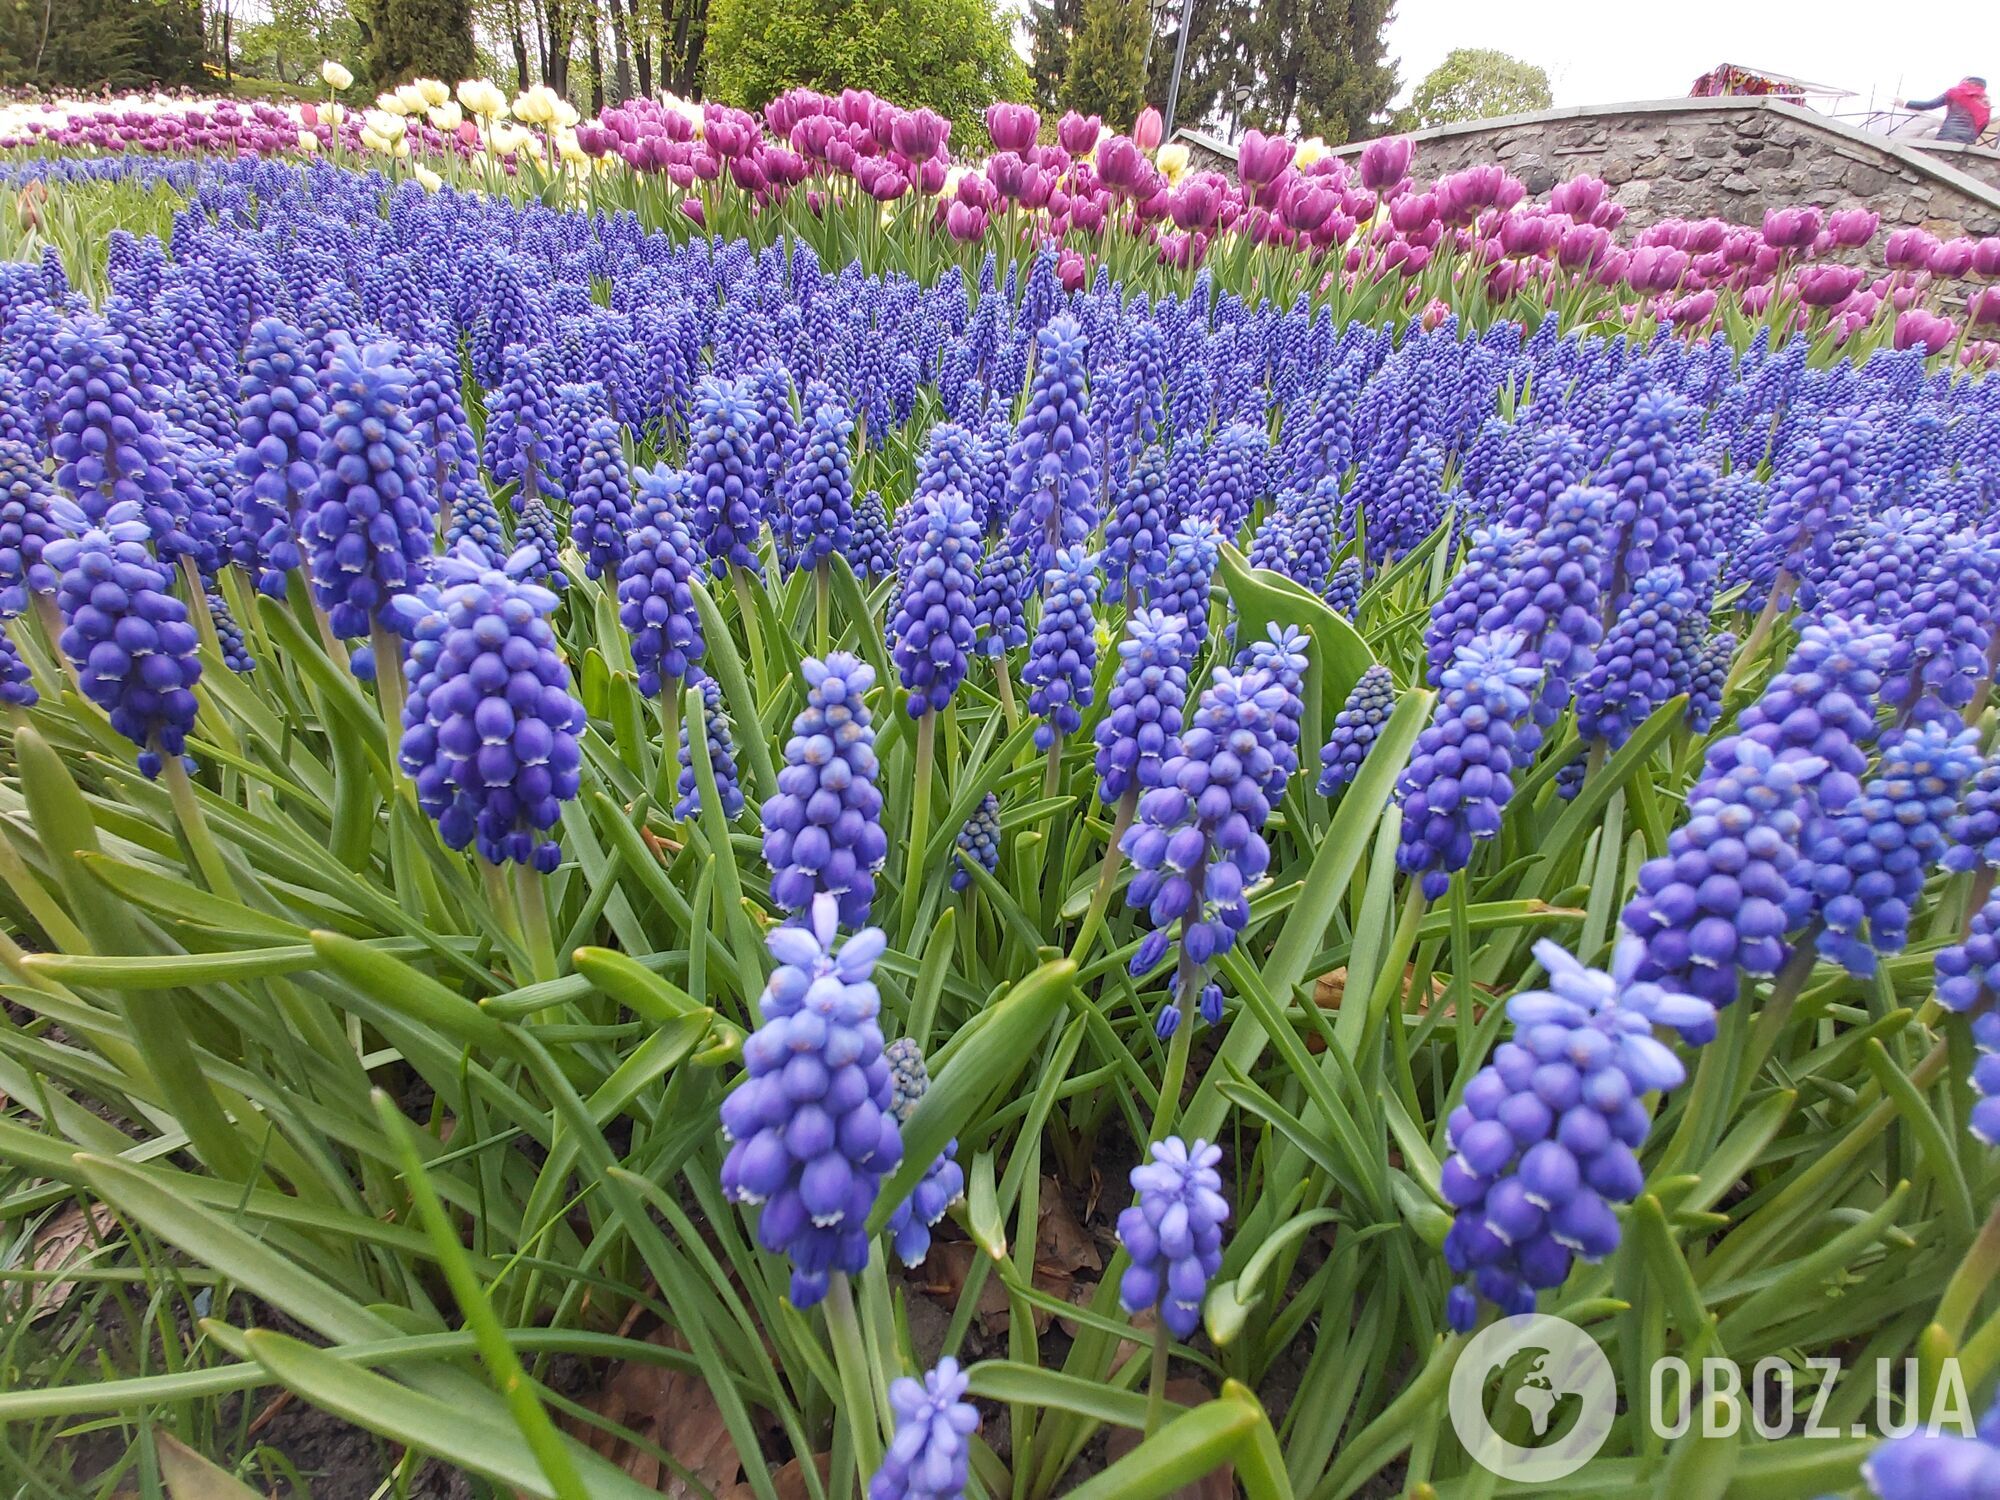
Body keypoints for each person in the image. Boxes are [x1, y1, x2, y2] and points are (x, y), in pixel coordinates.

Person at [1904, 76, 1991, 143]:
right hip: (1967, 140)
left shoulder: (1955, 92)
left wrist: (1906, 103)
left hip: (1947, 135)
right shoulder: (1985, 103)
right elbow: (1984, 124)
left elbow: (1930, 105)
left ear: (1966, 82)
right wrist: (1972, 137)